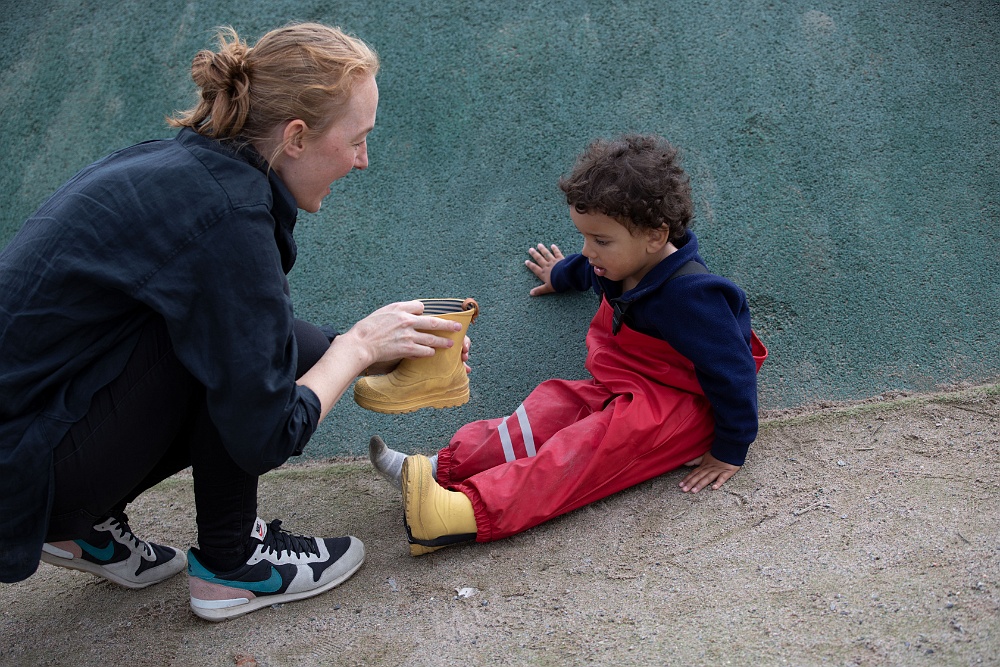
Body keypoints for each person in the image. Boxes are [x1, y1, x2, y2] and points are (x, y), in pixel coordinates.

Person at [0, 23, 469, 621]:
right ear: (295, 137)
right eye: (357, 140)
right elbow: (267, 430)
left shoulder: (193, 168)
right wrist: (352, 349)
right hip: (25, 473)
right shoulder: (228, 215)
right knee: (231, 355)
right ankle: (233, 564)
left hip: (27, 439)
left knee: (249, 339)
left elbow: (267, 336)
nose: (362, 161)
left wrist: (385, 349)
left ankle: (76, 528)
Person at [369, 134, 767, 555]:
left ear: (655, 236)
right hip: (625, 380)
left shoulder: (694, 297)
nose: (588, 250)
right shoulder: (621, 261)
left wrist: (731, 448)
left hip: (677, 407)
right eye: (585, 236)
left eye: (601, 241)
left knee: (584, 451)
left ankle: (460, 513)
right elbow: (590, 270)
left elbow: (734, 373)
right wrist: (561, 275)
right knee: (548, 408)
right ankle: (438, 470)